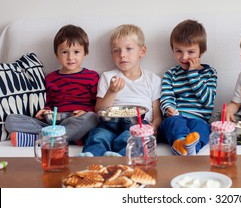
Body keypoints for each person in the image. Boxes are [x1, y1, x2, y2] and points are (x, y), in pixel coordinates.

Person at [5, 24, 99, 146]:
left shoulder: (92, 76)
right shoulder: (50, 78)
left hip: (78, 120)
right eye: (64, 52)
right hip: (54, 122)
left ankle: (43, 139)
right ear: (57, 54)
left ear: (85, 52)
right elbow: (49, 103)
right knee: (11, 120)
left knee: (92, 118)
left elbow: (96, 106)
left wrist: (86, 111)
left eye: (76, 52)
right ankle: (64, 138)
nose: (70, 57)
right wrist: (45, 112)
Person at [80, 24, 162, 157]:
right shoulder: (107, 77)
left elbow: (157, 115)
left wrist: (154, 127)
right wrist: (112, 91)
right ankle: (89, 162)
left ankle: (121, 161)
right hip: (109, 123)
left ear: (142, 51)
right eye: (116, 51)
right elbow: (99, 110)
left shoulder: (153, 79)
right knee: (98, 137)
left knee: (128, 139)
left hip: (137, 124)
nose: (122, 55)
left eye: (129, 49)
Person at [159, 19, 217, 156]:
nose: (184, 57)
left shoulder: (210, 73)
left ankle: (191, 149)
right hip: (177, 117)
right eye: (178, 51)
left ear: (201, 51)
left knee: (203, 129)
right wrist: (168, 109)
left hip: (198, 119)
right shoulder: (170, 74)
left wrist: (193, 74)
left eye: (190, 52)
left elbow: (208, 101)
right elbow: (167, 96)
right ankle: (179, 143)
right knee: (173, 123)